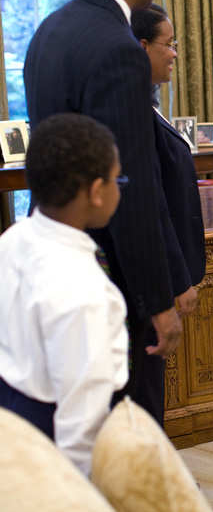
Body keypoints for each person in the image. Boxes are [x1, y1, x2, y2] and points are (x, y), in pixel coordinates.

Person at [24, 0, 187, 425]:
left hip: (55, 254)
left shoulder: (50, 30)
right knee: (128, 420)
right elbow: (131, 185)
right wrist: (157, 300)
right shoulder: (117, 47)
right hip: (110, 272)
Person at [0, 113, 128, 475]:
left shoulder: (12, 240)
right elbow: (81, 421)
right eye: (118, 179)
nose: (121, 188)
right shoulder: (83, 290)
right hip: (50, 430)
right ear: (95, 192)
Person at [132, 4, 205, 319]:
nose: (175, 53)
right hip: (157, 279)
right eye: (169, 43)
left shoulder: (146, 103)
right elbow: (151, 203)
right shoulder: (133, 113)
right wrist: (177, 279)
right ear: (143, 46)